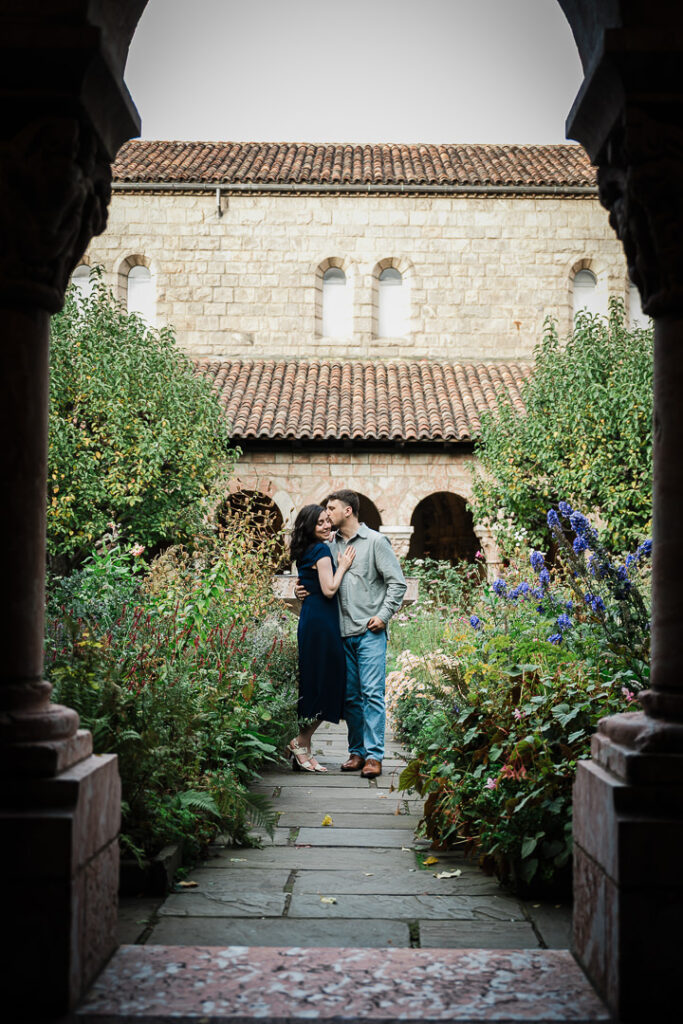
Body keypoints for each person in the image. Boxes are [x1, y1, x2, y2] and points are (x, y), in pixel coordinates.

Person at [296, 489, 406, 779]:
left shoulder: (375, 542)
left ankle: (374, 756)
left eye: (331, 508)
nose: (326, 514)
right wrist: (300, 588)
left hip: (369, 630)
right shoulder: (328, 545)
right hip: (339, 632)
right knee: (351, 698)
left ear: (348, 511)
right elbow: (318, 578)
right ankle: (356, 752)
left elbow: (397, 584)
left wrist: (383, 617)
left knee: (371, 694)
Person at [287, 503, 356, 773]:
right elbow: (329, 589)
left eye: (328, 520)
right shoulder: (321, 550)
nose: (327, 525)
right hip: (322, 624)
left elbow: (310, 585)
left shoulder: (306, 550)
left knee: (315, 682)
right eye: (320, 523)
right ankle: (300, 741)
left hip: (312, 620)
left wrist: (298, 591)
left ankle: (305, 747)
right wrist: (344, 566)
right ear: (309, 527)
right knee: (326, 683)